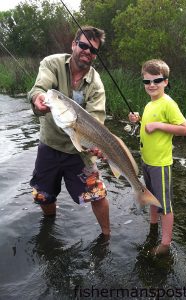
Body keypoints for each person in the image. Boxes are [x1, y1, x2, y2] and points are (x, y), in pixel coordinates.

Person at [28, 26, 110, 236]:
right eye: (83, 45)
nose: (87, 52)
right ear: (74, 44)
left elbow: (96, 123)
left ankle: (107, 235)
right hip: (50, 144)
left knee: (97, 194)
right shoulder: (52, 63)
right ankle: (49, 227)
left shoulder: (96, 85)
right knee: (43, 195)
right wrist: (37, 99)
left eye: (93, 50)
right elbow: (40, 88)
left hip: (79, 152)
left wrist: (98, 148)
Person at [129, 59, 186, 255]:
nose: (152, 85)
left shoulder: (168, 103)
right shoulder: (150, 104)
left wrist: (158, 126)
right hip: (147, 161)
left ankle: (165, 244)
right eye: (147, 82)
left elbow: (185, 129)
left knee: (165, 205)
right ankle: (153, 225)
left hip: (160, 164)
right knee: (151, 196)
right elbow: (147, 126)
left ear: (165, 81)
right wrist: (137, 120)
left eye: (157, 80)